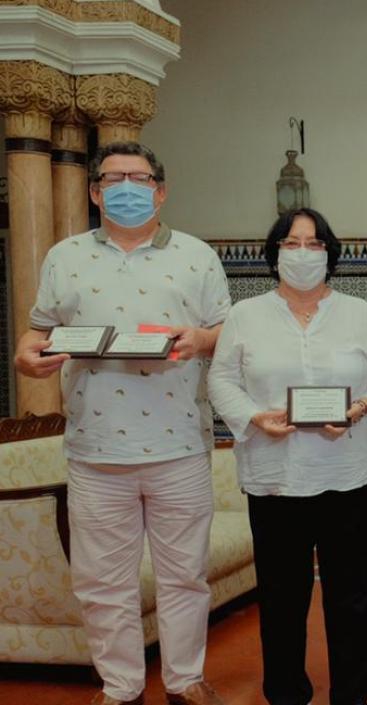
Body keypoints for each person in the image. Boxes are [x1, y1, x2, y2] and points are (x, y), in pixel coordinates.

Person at [12, 142, 231, 705]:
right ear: (94, 192)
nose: (126, 187)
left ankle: (185, 681)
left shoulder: (197, 255)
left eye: (139, 178)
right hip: (94, 446)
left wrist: (201, 339)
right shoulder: (64, 256)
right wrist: (25, 355)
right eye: (113, 179)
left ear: (161, 188)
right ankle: (121, 687)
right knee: (102, 582)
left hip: (179, 442)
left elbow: (228, 336)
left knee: (184, 576)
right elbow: (37, 333)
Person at [207, 207, 367, 705]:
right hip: (275, 479)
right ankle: (287, 694)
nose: (302, 252)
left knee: (352, 601)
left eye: (313, 243)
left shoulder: (360, 312)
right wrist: (255, 417)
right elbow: (221, 380)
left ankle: (351, 696)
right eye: (291, 243)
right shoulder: (245, 315)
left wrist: (359, 409)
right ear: (274, 252)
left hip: (345, 476)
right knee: (281, 601)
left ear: (329, 253)